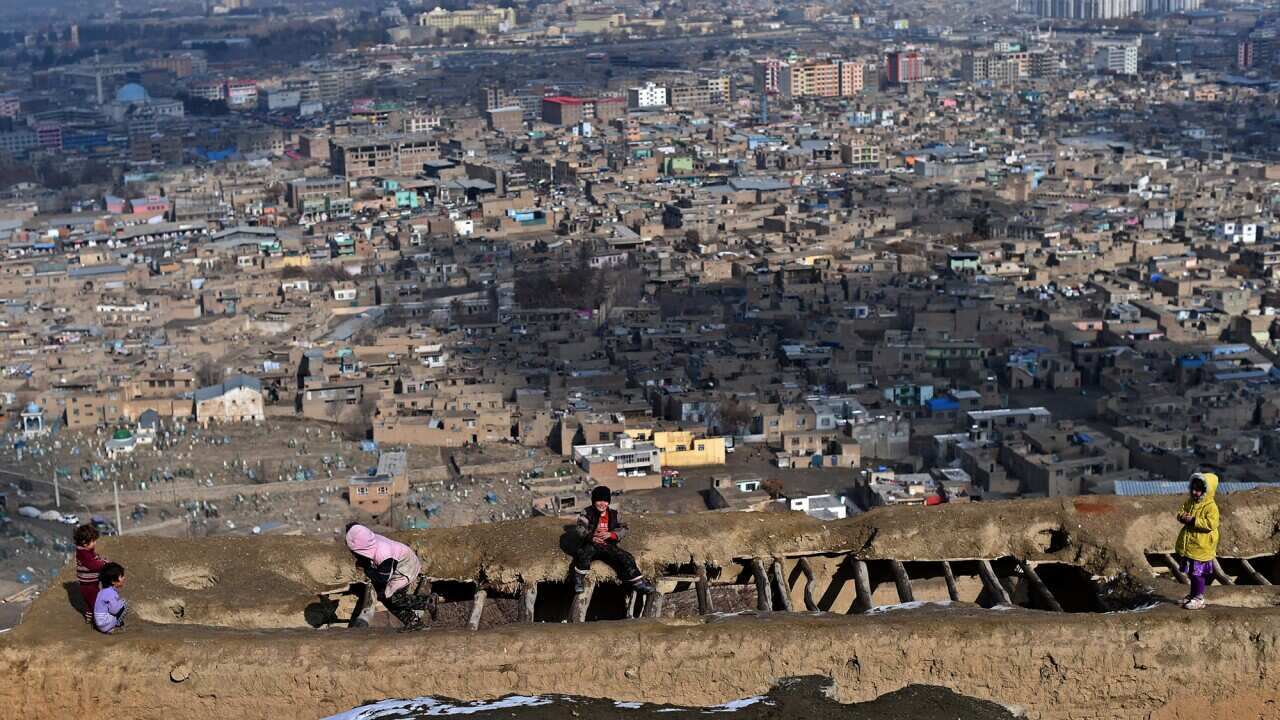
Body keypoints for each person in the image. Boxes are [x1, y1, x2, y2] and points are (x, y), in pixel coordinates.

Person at [345, 523, 431, 632]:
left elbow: (382, 578)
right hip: (398, 564)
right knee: (386, 598)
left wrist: (367, 569)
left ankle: (428, 601)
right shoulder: (368, 540)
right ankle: (414, 622)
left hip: (406, 568)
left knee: (395, 598)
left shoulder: (384, 555)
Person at [571, 486, 655, 595]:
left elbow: (624, 528)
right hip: (591, 544)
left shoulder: (614, 514)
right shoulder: (587, 513)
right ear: (594, 501)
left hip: (608, 545)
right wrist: (591, 537)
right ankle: (578, 580)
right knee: (583, 555)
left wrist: (612, 534)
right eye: (599, 500)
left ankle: (639, 583)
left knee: (626, 558)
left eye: (605, 501)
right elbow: (580, 528)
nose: (602, 504)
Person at [1174, 472, 1220, 610]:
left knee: (1197, 574)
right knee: (1191, 573)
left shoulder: (1211, 507)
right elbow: (1181, 511)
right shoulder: (1190, 503)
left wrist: (1194, 521)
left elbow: (1211, 524)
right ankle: (1193, 595)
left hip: (1201, 546)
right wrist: (1182, 517)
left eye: (1198, 490)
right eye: (1193, 489)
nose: (1194, 492)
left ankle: (1199, 598)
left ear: (1206, 491)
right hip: (1191, 545)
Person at [74, 524, 107, 624]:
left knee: (90, 603)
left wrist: (101, 559)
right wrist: (104, 564)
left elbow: (94, 558)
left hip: (90, 584)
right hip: (88, 586)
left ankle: (90, 618)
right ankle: (101, 623)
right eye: (93, 541)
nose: (95, 543)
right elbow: (93, 565)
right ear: (84, 542)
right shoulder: (83, 554)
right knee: (96, 604)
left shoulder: (85, 550)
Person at [93, 562, 128, 634]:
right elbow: (114, 610)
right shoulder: (110, 593)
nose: (124, 578)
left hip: (99, 622)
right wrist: (121, 602)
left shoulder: (103, 591)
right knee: (125, 604)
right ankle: (115, 626)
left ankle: (109, 627)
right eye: (121, 576)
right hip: (104, 623)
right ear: (113, 581)